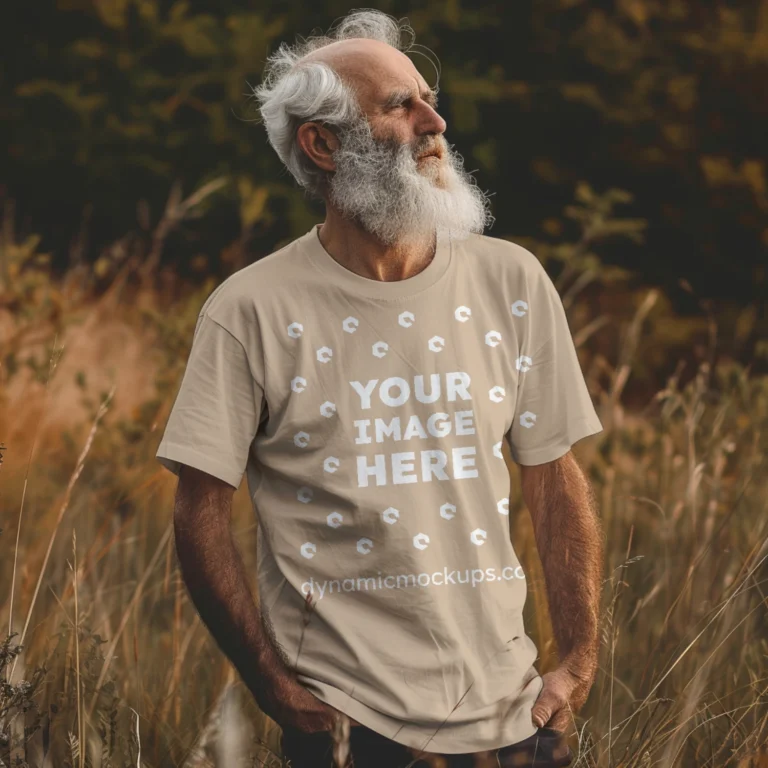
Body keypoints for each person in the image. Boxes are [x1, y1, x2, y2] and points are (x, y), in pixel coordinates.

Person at [156, 9, 604, 768]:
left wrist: (579, 658)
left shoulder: (513, 279)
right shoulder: (251, 309)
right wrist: (272, 685)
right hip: (350, 727)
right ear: (321, 144)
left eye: (427, 98)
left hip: (516, 712)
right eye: (399, 105)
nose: (435, 120)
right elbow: (199, 509)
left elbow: (553, 475)